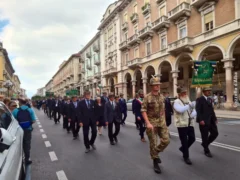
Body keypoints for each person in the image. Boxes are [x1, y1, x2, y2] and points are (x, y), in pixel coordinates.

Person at [141, 76, 170, 174]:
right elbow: (143, 110)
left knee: (166, 140)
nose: (157, 86)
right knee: (153, 142)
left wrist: (165, 121)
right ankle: (155, 162)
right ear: (151, 86)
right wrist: (148, 123)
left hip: (161, 122)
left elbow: (163, 110)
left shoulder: (162, 97)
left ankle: (155, 153)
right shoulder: (147, 97)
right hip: (151, 123)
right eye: (155, 85)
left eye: (158, 85)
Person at [173, 86, 196, 165]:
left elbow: (192, 111)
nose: (185, 94)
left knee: (192, 138)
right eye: (183, 93)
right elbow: (180, 110)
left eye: (185, 92)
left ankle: (183, 149)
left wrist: (194, 112)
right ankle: (186, 157)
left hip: (190, 123)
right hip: (181, 124)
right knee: (184, 141)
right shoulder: (176, 102)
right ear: (179, 94)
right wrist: (190, 105)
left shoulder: (188, 101)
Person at [12, 98, 37, 165]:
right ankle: (27, 159)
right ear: (25, 103)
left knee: (18, 144)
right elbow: (34, 120)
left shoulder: (15, 111)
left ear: (19, 103)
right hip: (27, 129)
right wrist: (28, 124)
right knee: (27, 144)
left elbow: (12, 121)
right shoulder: (30, 110)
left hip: (18, 130)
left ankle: (18, 159)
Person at [196, 87, 218, 158]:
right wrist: (200, 120)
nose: (209, 92)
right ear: (204, 92)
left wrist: (215, 119)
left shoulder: (210, 99)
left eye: (209, 91)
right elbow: (198, 111)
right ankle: (206, 150)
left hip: (211, 120)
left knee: (215, 133)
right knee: (204, 136)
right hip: (204, 121)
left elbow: (212, 110)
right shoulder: (200, 99)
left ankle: (205, 144)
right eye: (207, 91)